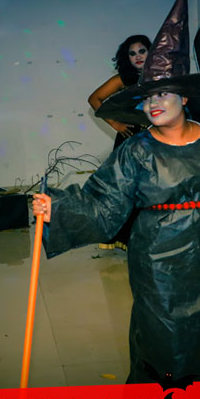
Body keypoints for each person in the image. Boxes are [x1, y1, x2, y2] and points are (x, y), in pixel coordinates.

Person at [33, 0, 200, 386]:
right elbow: (103, 202)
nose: (153, 103)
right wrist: (57, 209)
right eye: (147, 97)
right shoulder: (136, 150)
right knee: (159, 340)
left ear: (185, 97)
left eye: (163, 93)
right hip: (155, 260)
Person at [88, 34, 151, 250]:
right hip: (129, 140)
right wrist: (114, 123)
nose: (138, 56)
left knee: (151, 189)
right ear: (127, 58)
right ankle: (124, 238)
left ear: (151, 52)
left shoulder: (161, 76)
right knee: (127, 190)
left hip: (155, 139)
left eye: (142, 51)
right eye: (132, 54)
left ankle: (146, 238)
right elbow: (94, 99)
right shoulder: (123, 79)